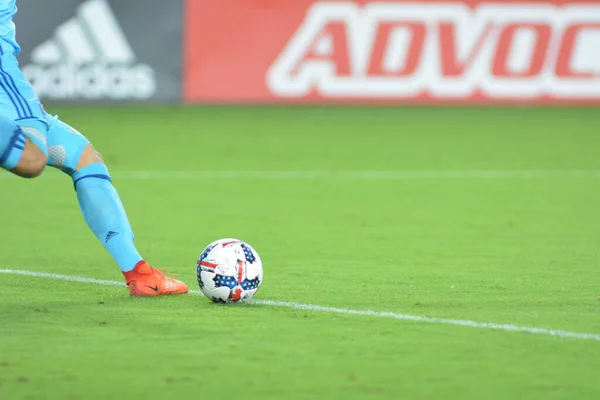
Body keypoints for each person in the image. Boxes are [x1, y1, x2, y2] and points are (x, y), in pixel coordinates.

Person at [0, 0, 188, 296]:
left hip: (10, 85)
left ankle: (139, 274)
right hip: (6, 87)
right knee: (32, 160)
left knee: (83, 157)